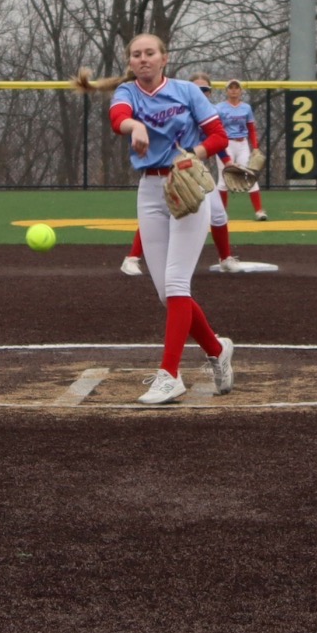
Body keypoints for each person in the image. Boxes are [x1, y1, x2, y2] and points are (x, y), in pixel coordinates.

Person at [78, 36, 236, 405]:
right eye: (137, 54)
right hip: (150, 191)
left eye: (150, 53)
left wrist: (192, 154)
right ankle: (216, 349)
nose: (143, 59)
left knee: (177, 284)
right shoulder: (127, 93)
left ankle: (170, 376)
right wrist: (135, 128)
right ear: (130, 62)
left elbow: (218, 136)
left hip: (187, 185)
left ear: (165, 58)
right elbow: (118, 118)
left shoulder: (186, 91)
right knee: (168, 294)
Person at [119, 73, 253, 276]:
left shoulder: (209, 112)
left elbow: (217, 139)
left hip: (196, 172)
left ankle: (225, 259)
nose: (202, 93)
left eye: (205, 90)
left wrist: (228, 163)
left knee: (218, 214)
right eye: (197, 89)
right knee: (159, 214)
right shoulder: (179, 110)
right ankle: (132, 258)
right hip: (171, 172)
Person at [215, 80, 267, 221]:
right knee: (224, 178)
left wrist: (255, 146)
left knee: (250, 176)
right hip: (226, 144)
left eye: (236, 88)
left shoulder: (246, 108)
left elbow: (251, 128)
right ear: (226, 91)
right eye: (230, 88)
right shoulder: (219, 108)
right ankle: (222, 214)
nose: (233, 90)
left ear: (240, 91)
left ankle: (259, 211)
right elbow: (215, 128)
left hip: (242, 143)